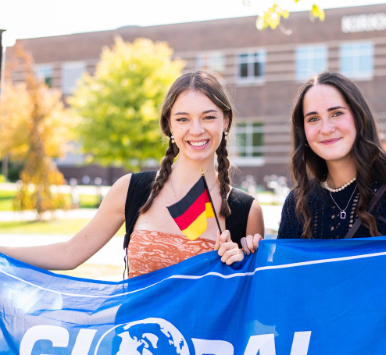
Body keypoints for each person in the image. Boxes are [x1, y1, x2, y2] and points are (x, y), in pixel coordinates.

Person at [243, 71, 386, 316]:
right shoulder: (298, 204)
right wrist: (252, 260)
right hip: (315, 352)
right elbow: (284, 302)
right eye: (313, 119)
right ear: (304, 132)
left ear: (359, 118)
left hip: (381, 354)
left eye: (336, 113)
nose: (326, 128)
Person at [0, 71, 265, 277]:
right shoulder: (130, 190)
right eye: (183, 119)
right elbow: (69, 254)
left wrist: (241, 268)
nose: (196, 130)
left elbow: (253, 310)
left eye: (208, 117)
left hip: (207, 346)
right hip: (133, 345)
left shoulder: (247, 211)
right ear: (169, 125)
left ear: (226, 121)